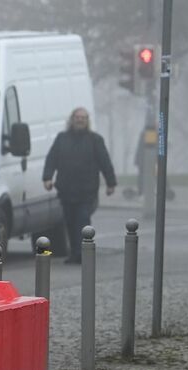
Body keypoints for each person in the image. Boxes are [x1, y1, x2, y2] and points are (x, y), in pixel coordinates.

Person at [43, 107, 117, 264]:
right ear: (72, 119)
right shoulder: (62, 138)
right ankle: (75, 253)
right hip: (66, 189)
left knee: (83, 222)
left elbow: (105, 162)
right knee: (69, 222)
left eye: (83, 117)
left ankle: (84, 253)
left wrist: (111, 183)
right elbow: (52, 159)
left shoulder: (95, 140)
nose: (80, 120)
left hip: (87, 190)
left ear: (87, 120)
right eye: (77, 117)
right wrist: (47, 178)